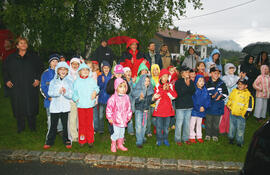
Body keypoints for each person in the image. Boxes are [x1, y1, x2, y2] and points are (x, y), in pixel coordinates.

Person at [3, 37, 43, 133]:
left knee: (31, 105)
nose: (23, 45)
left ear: (27, 45)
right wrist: (7, 80)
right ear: (17, 46)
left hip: (30, 85)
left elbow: (40, 68)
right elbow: (5, 70)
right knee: (18, 105)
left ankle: (32, 127)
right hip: (17, 86)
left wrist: (38, 79)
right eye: (21, 43)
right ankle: (20, 127)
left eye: (25, 43)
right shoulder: (10, 58)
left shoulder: (34, 57)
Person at [43, 62, 73, 149]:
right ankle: (49, 141)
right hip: (55, 107)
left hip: (65, 107)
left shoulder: (70, 81)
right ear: (58, 71)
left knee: (65, 125)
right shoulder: (53, 81)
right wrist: (58, 92)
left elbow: (71, 94)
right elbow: (50, 93)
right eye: (61, 69)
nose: (63, 71)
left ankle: (67, 140)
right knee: (53, 125)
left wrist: (65, 92)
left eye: (65, 69)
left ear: (67, 71)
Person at [72, 63, 100, 147]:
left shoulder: (91, 80)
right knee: (82, 123)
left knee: (89, 123)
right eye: (83, 70)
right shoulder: (77, 81)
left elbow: (97, 88)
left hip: (89, 105)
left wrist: (95, 92)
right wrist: (76, 99)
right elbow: (74, 92)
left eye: (87, 70)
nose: (85, 71)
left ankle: (90, 139)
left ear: (89, 72)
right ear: (79, 72)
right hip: (80, 105)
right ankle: (82, 139)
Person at [106, 78, 132, 152]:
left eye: (124, 86)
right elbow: (109, 109)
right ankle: (113, 143)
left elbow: (129, 107)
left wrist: (129, 116)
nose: (123, 88)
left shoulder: (126, 97)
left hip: (124, 119)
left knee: (122, 133)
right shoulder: (113, 98)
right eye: (120, 86)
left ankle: (120, 144)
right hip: (116, 119)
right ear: (116, 87)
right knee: (116, 133)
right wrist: (109, 117)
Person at [152, 69, 177, 146]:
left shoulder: (170, 86)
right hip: (159, 111)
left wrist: (168, 90)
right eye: (164, 76)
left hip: (168, 111)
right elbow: (156, 97)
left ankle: (165, 139)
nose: (165, 78)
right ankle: (159, 139)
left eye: (167, 76)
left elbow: (174, 96)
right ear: (160, 77)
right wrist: (163, 90)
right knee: (159, 127)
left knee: (166, 128)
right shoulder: (157, 86)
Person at [227, 78, 254, 147]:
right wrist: (229, 106)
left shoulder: (248, 95)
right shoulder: (234, 91)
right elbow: (230, 99)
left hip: (241, 116)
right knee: (231, 127)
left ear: (246, 86)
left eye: (242, 84)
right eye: (238, 84)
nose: (240, 86)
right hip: (232, 113)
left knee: (240, 129)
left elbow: (249, 107)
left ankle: (239, 142)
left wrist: (244, 114)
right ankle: (231, 139)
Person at [40, 54, 63, 133]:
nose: (55, 63)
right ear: (50, 63)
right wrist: (48, 97)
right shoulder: (45, 73)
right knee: (50, 116)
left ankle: (60, 130)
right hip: (49, 100)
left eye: (57, 61)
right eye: (53, 61)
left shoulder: (62, 73)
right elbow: (42, 87)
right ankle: (51, 130)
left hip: (59, 99)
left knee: (59, 115)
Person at [205, 67, 228, 141]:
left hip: (218, 106)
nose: (217, 74)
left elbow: (226, 94)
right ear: (210, 74)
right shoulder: (207, 83)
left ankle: (215, 135)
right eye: (215, 73)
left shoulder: (222, 83)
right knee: (208, 121)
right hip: (209, 106)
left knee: (216, 122)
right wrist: (211, 96)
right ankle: (208, 134)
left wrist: (221, 97)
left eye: (218, 73)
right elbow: (204, 94)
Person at [174, 66, 196, 146]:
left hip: (189, 105)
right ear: (182, 73)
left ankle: (185, 138)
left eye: (188, 72)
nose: (188, 73)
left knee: (187, 123)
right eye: (186, 72)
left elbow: (193, 91)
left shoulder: (191, 82)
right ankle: (178, 139)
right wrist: (186, 86)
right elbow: (180, 93)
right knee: (179, 123)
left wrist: (189, 84)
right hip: (180, 106)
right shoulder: (178, 82)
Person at [132, 74, 154, 148]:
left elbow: (150, 101)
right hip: (139, 110)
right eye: (145, 81)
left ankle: (142, 136)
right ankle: (139, 141)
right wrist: (140, 98)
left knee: (144, 125)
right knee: (138, 126)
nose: (147, 82)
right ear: (141, 81)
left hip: (145, 110)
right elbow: (135, 101)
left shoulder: (150, 90)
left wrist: (153, 99)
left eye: (148, 81)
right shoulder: (138, 89)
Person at [189, 75, 211, 143]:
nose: (201, 82)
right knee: (192, 123)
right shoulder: (194, 90)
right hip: (195, 110)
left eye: (203, 81)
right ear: (196, 82)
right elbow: (193, 100)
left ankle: (199, 136)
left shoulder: (205, 91)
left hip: (202, 110)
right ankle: (191, 136)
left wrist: (204, 107)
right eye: (200, 81)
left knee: (199, 124)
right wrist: (198, 107)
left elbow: (208, 100)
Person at [220, 63, 239, 134]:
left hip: (234, 99)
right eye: (230, 68)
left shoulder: (236, 77)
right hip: (227, 99)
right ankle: (222, 129)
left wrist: (242, 77)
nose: (231, 70)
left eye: (233, 68)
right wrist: (238, 79)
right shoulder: (224, 77)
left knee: (232, 116)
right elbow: (229, 85)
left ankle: (229, 129)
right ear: (226, 69)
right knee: (225, 115)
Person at [96, 61, 112, 134]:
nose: (106, 69)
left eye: (107, 68)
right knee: (101, 116)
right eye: (104, 68)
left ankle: (111, 129)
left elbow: (111, 88)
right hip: (102, 99)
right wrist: (102, 82)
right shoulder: (100, 77)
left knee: (109, 116)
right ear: (102, 69)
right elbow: (99, 87)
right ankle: (101, 129)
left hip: (109, 99)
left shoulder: (111, 76)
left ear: (109, 69)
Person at [69, 57, 81, 142]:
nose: (75, 66)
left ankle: (81, 133)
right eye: (73, 64)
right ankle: (74, 135)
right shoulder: (68, 74)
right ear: (71, 64)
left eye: (77, 64)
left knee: (80, 118)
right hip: (72, 99)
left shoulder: (81, 74)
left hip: (81, 99)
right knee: (73, 117)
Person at [148, 64, 161, 136]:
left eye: (157, 69)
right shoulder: (150, 79)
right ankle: (148, 131)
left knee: (156, 118)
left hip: (158, 102)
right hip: (150, 101)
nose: (155, 71)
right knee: (149, 118)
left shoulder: (161, 79)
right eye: (154, 69)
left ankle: (158, 128)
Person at [123, 67, 135, 135]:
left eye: (129, 71)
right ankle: (123, 129)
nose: (129, 73)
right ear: (124, 74)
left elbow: (133, 91)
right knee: (124, 116)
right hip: (124, 102)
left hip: (131, 101)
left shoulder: (132, 80)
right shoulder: (123, 81)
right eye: (127, 72)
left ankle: (130, 130)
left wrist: (133, 83)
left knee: (130, 116)